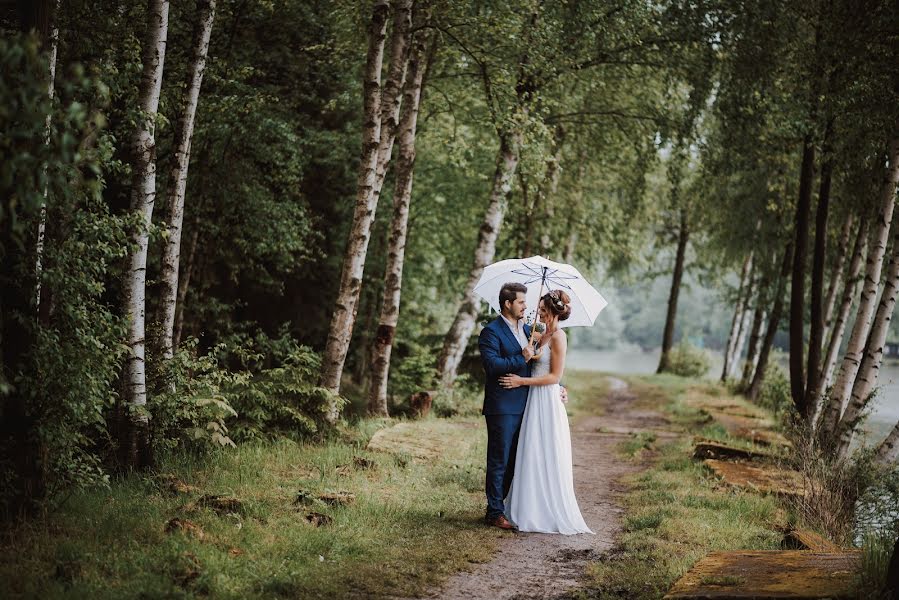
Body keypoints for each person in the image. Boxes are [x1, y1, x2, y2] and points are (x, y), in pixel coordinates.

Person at [499, 289, 593, 535]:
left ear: (553, 311)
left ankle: (547, 512)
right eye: (538, 309)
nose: (537, 312)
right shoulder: (540, 334)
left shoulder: (559, 337)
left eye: (542, 310)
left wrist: (521, 382)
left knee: (546, 451)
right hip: (533, 400)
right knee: (530, 451)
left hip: (546, 401)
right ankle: (527, 508)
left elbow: (554, 376)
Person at [478, 282, 568, 530]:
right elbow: (492, 366)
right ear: (508, 304)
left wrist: (559, 386)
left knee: (517, 461)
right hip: (503, 405)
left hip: (529, 406)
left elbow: (548, 364)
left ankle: (505, 506)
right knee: (499, 460)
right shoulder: (491, 332)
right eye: (521, 303)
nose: (525, 307)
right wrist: (522, 356)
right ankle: (494, 512)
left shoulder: (530, 330)